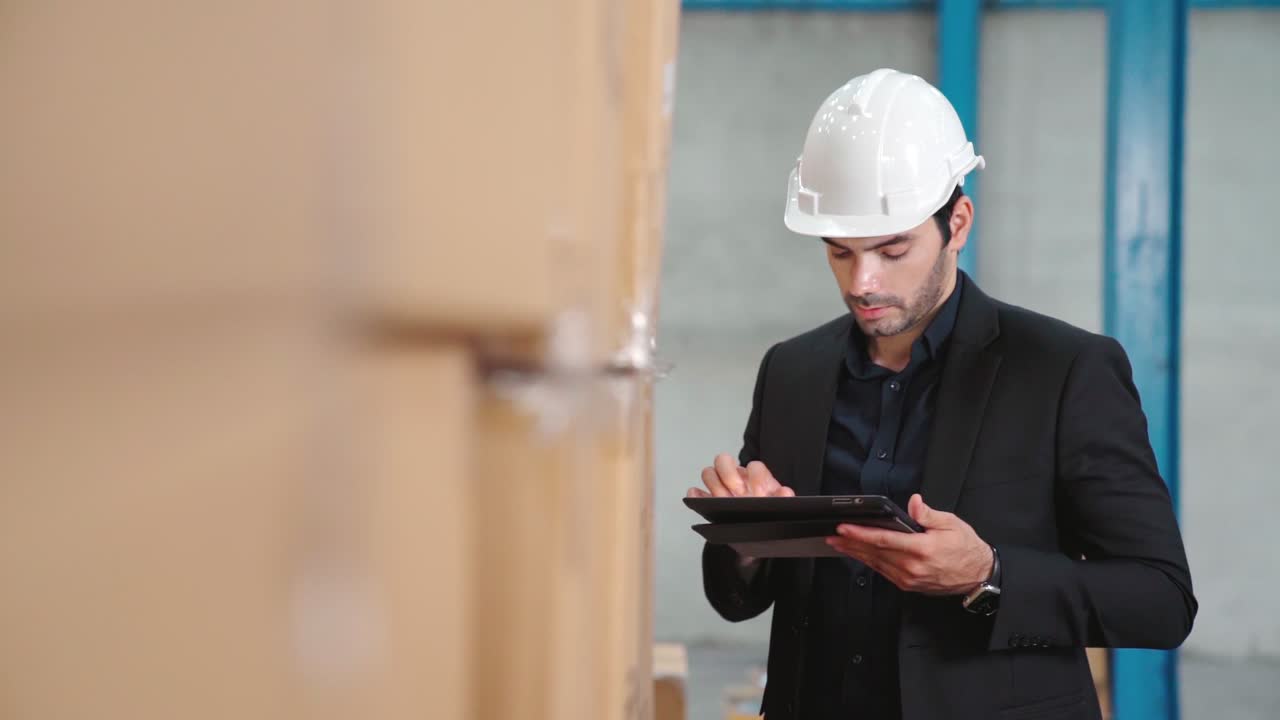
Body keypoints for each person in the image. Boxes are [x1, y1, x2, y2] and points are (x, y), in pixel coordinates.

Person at [687, 69, 1196, 720]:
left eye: (892, 248)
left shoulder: (1065, 370)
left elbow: (1159, 599)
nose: (863, 281)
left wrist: (988, 576)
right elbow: (738, 600)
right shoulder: (792, 370)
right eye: (839, 252)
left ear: (958, 223)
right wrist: (746, 542)